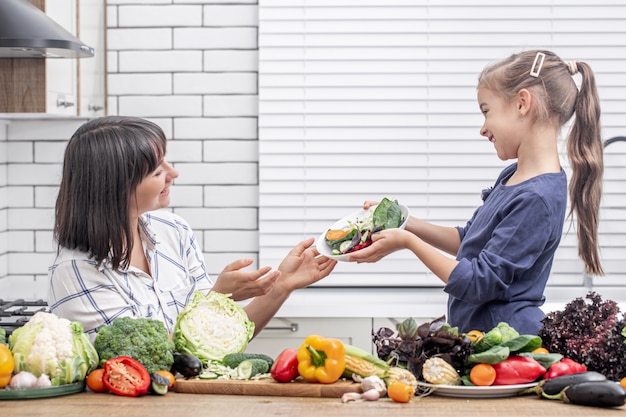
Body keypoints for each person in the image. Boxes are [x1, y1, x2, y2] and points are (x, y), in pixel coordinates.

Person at [350, 50, 604, 335]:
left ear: (522, 104)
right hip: (482, 339)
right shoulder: (514, 176)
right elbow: (469, 241)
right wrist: (405, 222)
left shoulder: (537, 198)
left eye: (486, 111)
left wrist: (408, 242)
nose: (483, 129)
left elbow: (479, 283)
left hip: (506, 345)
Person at [47, 116, 337, 338]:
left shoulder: (172, 230)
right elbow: (139, 364)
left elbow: (219, 339)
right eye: (158, 170)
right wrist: (217, 297)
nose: (173, 173)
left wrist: (282, 284)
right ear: (117, 187)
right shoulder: (75, 270)